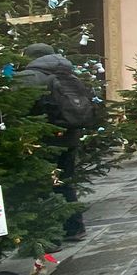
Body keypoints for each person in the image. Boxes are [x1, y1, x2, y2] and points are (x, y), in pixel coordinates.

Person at [14, 43, 91, 241]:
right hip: (70, 136)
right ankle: (74, 228)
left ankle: (50, 237)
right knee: (64, 183)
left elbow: (15, 106)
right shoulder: (70, 75)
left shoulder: (29, 77)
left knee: (42, 187)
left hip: (41, 139)